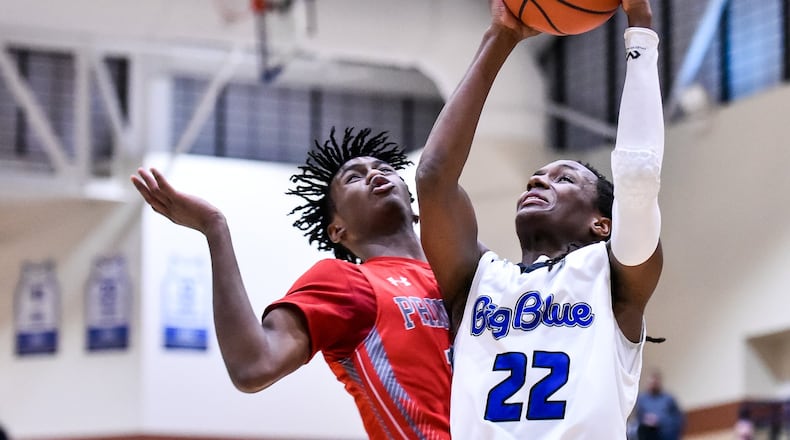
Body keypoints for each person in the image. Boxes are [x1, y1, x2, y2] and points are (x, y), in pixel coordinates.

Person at [415, 0, 664, 438]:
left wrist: (640, 28)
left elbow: (638, 177)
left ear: (602, 224)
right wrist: (500, 37)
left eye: (563, 178)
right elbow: (434, 178)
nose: (537, 181)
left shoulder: (613, 276)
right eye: (535, 176)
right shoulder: (476, 280)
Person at [131, 127, 452, 439]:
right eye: (354, 177)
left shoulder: (463, 277)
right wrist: (214, 228)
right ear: (337, 229)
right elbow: (254, 365)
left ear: (414, 208)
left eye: (383, 168)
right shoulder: (347, 282)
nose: (373, 173)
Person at [635, 369, 685, 439]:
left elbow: (677, 418)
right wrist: (647, 420)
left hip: (665, 431)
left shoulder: (669, 398)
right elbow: (639, 418)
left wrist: (659, 420)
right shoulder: (642, 399)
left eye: (655, 383)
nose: (653, 385)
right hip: (648, 432)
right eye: (651, 383)